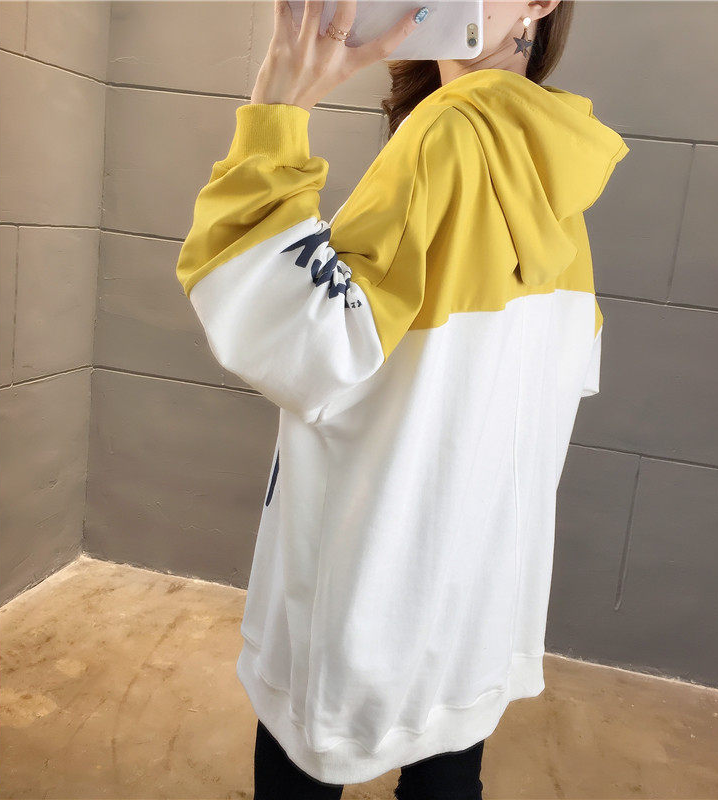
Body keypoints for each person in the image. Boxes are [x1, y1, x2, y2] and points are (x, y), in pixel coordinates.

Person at [175, 0, 629, 796]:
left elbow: (308, 343)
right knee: (446, 769)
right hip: (479, 574)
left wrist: (277, 112)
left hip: (374, 565)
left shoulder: (449, 132)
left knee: (301, 765)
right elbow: (565, 367)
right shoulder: (554, 157)